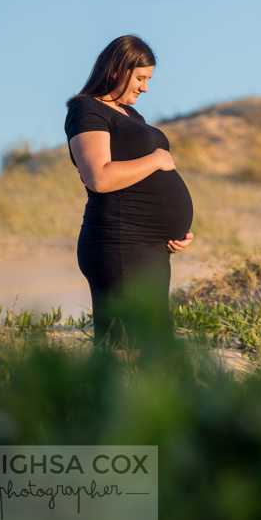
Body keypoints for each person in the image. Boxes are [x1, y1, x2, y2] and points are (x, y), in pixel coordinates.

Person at [64, 34, 195, 349]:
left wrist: (175, 231)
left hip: (149, 246)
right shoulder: (87, 111)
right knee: (124, 345)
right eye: (140, 78)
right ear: (116, 70)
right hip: (119, 241)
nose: (145, 87)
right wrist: (156, 159)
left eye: (148, 79)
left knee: (153, 341)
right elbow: (99, 178)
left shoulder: (130, 115)